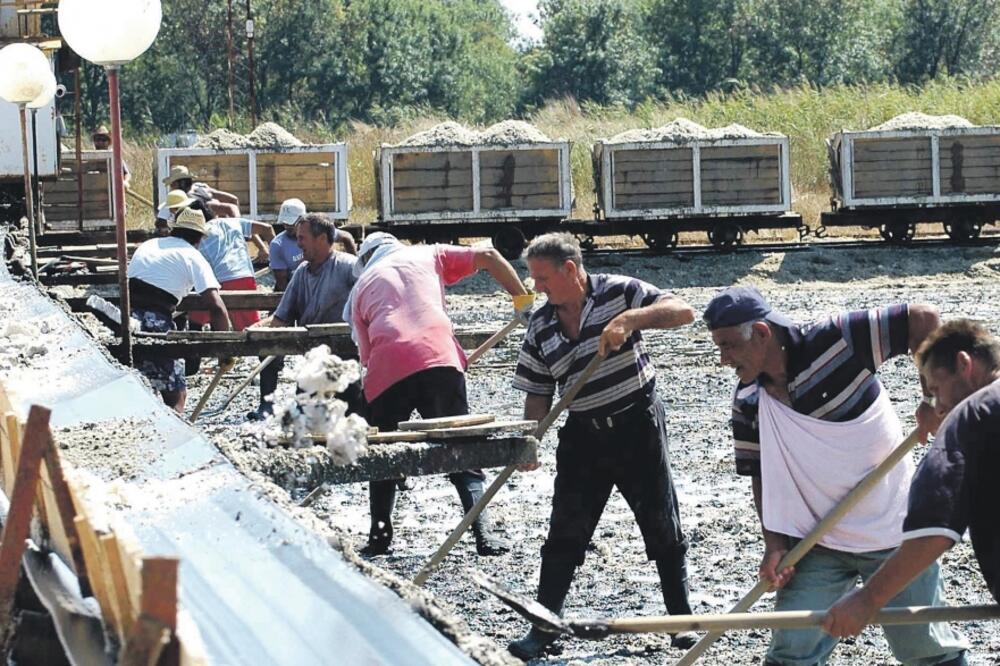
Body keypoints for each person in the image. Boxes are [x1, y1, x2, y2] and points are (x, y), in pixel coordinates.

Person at [704, 286, 968, 666]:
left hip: (893, 529)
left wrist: (932, 401)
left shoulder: (837, 340)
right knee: (792, 650)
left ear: (761, 333)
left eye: (728, 345)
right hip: (817, 541)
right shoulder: (749, 400)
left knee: (925, 646)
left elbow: (923, 319)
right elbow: (761, 473)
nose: (723, 359)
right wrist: (774, 544)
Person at [508, 232, 697, 659]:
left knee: (661, 523)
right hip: (583, 435)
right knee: (564, 531)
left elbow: (682, 311)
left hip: (637, 425)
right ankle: (543, 628)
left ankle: (681, 622)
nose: (536, 286)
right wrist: (529, 441)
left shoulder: (620, 292)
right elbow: (538, 392)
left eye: (542, 278)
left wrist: (630, 321)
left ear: (569, 270)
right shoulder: (541, 324)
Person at [348, 232, 530, 558]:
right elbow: (489, 255)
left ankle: (379, 537)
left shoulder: (361, 287)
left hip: (387, 367)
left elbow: (366, 357)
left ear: (366, 260)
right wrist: (522, 300)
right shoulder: (427, 253)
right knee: (462, 447)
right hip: (439, 355)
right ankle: (484, 532)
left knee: (384, 453)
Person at [823, 319, 1000, 637]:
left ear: (964, 364)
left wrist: (867, 599)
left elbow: (934, 529)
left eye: (936, 390)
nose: (939, 407)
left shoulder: (972, 415)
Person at [248, 213, 359, 419]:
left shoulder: (349, 267)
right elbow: (282, 317)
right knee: (303, 421)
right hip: (313, 358)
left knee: (354, 418)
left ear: (322, 239)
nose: (298, 244)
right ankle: (266, 406)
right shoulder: (301, 272)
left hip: (346, 359)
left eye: (302, 238)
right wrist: (258, 332)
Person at [127, 207, 231, 413]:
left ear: (174, 229)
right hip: (156, 321)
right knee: (176, 394)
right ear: (199, 238)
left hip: (128, 318)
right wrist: (225, 351)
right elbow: (217, 308)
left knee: (139, 384)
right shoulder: (193, 256)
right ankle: (173, 427)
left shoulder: (149, 245)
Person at [181, 199, 272, 332]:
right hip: (243, 277)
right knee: (249, 330)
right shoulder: (232, 222)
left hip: (216, 282)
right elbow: (267, 228)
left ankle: (197, 343)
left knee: (196, 319)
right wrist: (275, 258)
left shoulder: (198, 234)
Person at [159, 165, 241, 219]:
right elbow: (234, 200)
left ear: (181, 183)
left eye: (173, 184)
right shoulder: (201, 187)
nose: (172, 187)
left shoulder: (191, 200)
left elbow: (230, 206)